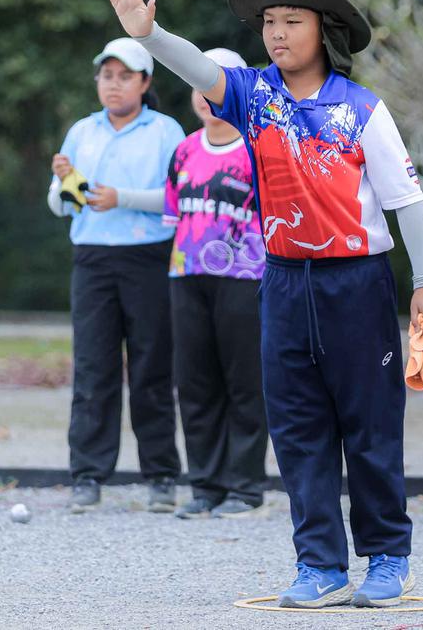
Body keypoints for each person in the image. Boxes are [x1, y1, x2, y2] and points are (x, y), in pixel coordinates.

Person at [105, 0, 423, 607]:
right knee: (296, 427)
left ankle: (388, 558)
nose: (277, 33)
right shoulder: (252, 94)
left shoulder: (363, 108)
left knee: (370, 426)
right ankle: (319, 564)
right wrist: (149, 36)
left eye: (292, 20)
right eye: (269, 22)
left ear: (325, 30)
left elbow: (408, 201)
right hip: (284, 283)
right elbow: (199, 73)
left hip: (358, 284)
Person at [47, 38, 186, 513]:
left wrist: (121, 197)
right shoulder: (82, 132)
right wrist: (67, 180)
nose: (114, 84)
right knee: (92, 369)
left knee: (152, 368)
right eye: (107, 75)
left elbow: (177, 198)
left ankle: (162, 475)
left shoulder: (166, 131)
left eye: (125, 76)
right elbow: (60, 204)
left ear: (145, 83)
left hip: (147, 257)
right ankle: (87, 475)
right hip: (92, 259)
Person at [163, 47, 269, 521]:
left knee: (245, 383)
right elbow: (173, 215)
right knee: (195, 383)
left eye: (216, 84)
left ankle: (246, 489)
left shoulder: (258, 146)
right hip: (187, 276)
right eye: (199, 85)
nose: (206, 96)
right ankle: (205, 486)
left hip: (245, 279)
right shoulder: (184, 149)